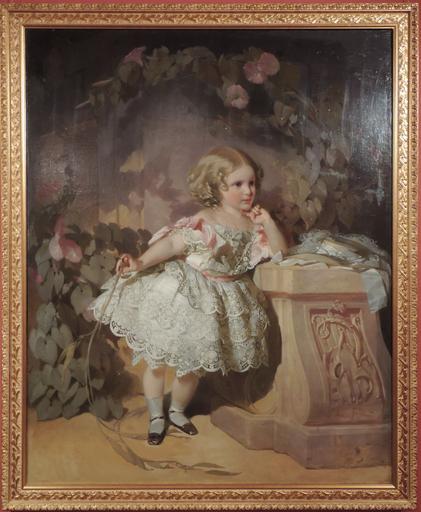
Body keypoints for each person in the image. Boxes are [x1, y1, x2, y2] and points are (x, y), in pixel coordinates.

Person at [90, 146, 288, 445]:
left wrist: (269, 223)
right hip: (186, 294)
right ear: (216, 186)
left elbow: (281, 255)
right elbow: (172, 245)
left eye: (252, 183)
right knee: (157, 361)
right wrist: (140, 262)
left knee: (192, 368)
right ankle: (156, 416)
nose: (248, 191)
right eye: (237, 184)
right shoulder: (206, 219)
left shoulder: (253, 224)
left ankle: (177, 411)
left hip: (223, 297)